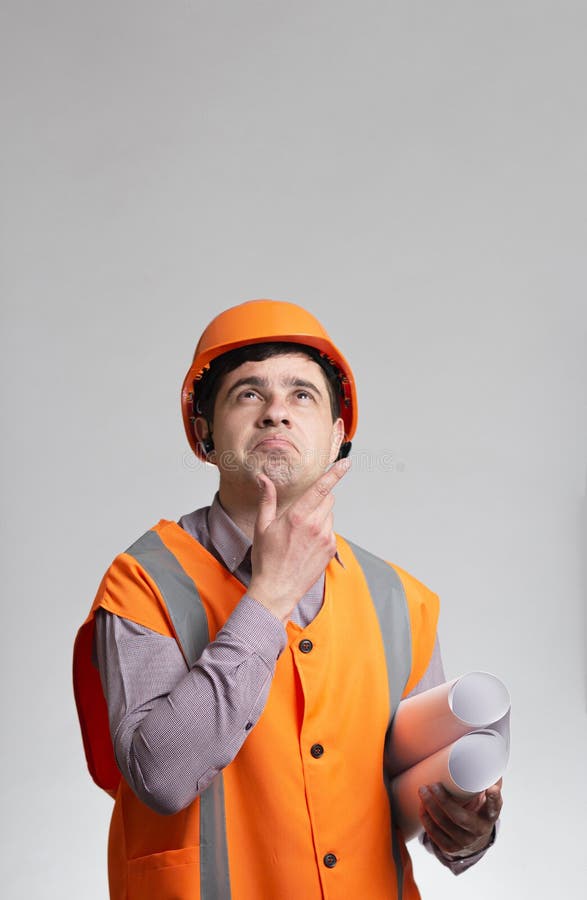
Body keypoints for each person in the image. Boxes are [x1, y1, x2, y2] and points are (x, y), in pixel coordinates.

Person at [73, 299, 503, 900]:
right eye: (247, 393)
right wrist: (269, 594)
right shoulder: (144, 580)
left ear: (337, 437)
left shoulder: (402, 601)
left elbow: (415, 807)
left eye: (302, 394)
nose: (276, 411)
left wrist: (468, 830)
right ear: (204, 433)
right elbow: (162, 775)